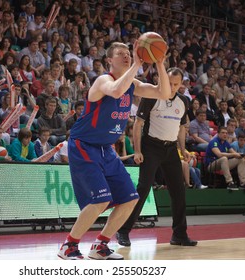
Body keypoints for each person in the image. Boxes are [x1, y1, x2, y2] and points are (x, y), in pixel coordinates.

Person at [57, 41, 171, 260]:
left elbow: (164, 93)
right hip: (84, 145)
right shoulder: (103, 80)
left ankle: (100, 246)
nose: (127, 56)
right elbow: (117, 91)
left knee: (130, 198)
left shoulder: (133, 83)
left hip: (106, 149)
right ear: (109, 60)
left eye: (129, 53)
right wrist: (137, 63)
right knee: (100, 200)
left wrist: (160, 64)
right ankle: (68, 246)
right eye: (121, 53)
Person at [116, 67, 197, 248]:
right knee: (143, 188)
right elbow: (138, 124)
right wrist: (137, 150)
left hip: (170, 150)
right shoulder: (152, 96)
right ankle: (123, 230)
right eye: (170, 83)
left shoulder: (183, 101)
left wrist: (182, 149)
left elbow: (182, 128)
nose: (173, 87)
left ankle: (179, 235)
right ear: (163, 80)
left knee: (178, 191)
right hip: (151, 147)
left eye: (177, 84)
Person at [205, 126, 245, 190]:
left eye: (226, 133)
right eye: (223, 133)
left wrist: (240, 155)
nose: (225, 134)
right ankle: (230, 182)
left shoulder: (226, 143)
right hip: (211, 165)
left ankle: (243, 183)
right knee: (224, 158)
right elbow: (219, 154)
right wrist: (233, 154)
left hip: (223, 164)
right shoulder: (213, 142)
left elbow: (234, 153)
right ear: (218, 134)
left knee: (240, 159)